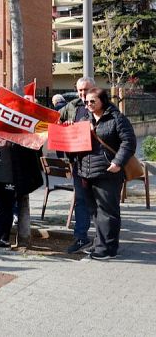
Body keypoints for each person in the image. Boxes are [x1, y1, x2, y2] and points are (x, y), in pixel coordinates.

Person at [77, 88, 136, 260]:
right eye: (86, 102)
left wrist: (118, 162)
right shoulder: (84, 119)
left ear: (103, 100)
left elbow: (129, 141)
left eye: (92, 101)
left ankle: (108, 249)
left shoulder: (116, 118)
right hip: (87, 171)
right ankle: (99, 242)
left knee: (108, 211)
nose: (88, 104)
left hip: (108, 172)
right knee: (95, 211)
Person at [0, 132, 44, 249]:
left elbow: (30, 150)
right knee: (3, 207)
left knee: (5, 207)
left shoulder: (16, 133)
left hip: (8, 177)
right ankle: (4, 238)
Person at [60, 77, 95, 253]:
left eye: (86, 90)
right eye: (80, 90)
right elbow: (56, 122)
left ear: (93, 89)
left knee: (101, 203)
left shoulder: (101, 105)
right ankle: (81, 238)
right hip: (79, 164)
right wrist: (65, 125)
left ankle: (107, 240)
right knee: (81, 201)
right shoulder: (72, 106)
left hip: (98, 164)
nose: (83, 93)